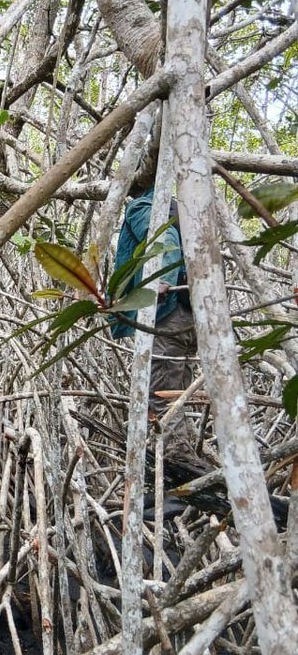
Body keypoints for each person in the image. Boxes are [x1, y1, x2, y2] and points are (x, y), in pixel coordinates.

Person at [110, 176, 204, 487]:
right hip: (191, 316)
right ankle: (183, 463)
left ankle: (180, 469)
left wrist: (157, 279)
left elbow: (162, 241)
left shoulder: (144, 205)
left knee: (162, 397)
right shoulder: (179, 208)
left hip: (167, 314)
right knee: (177, 393)